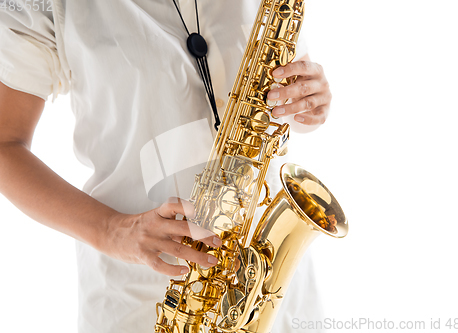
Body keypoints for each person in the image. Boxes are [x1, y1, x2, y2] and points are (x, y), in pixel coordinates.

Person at [0, 1, 332, 332]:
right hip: (148, 298)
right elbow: (4, 144)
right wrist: (111, 229)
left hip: (270, 287)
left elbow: (283, 104)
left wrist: (309, 102)